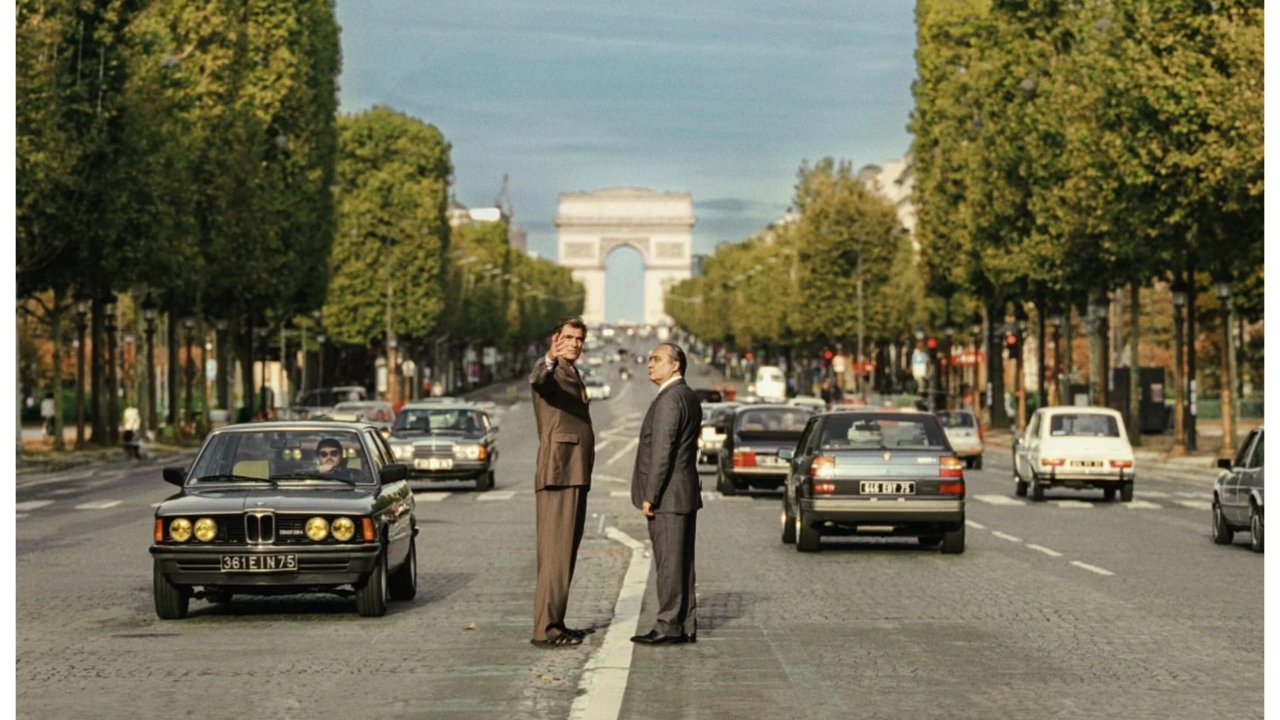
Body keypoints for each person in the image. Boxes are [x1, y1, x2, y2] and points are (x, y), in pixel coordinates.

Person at [528, 317, 596, 648]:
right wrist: (549, 359)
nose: (574, 343)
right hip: (560, 470)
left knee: (564, 552)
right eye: (567, 337)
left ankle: (556, 621)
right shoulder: (552, 370)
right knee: (555, 553)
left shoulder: (572, 371)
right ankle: (546, 629)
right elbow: (539, 380)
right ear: (555, 340)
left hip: (573, 470)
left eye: (579, 339)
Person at [630, 343, 702, 645]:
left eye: (657, 359)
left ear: (675, 365)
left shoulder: (669, 399)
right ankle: (685, 624)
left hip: (669, 495)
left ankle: (668, 625)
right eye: (649, 359)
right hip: (683, 492)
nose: (650, 364)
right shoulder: (687, 395)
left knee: (670, 564)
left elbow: (663, 451)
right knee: (682, 563)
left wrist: (651, 495)